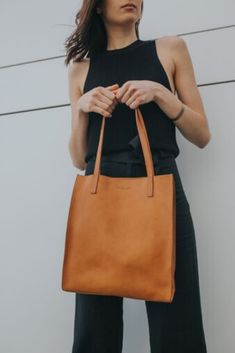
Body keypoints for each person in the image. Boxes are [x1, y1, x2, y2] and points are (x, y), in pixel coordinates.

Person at [64, 1, 211, 352]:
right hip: (100, 188)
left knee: (177, 319)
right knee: (94, 325)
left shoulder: (170, 49)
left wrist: (160, 94)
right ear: (98, 7)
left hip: (159, 182)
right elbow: (76, 156)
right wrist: (83, 109)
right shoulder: (80, 69)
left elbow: (202, 135)